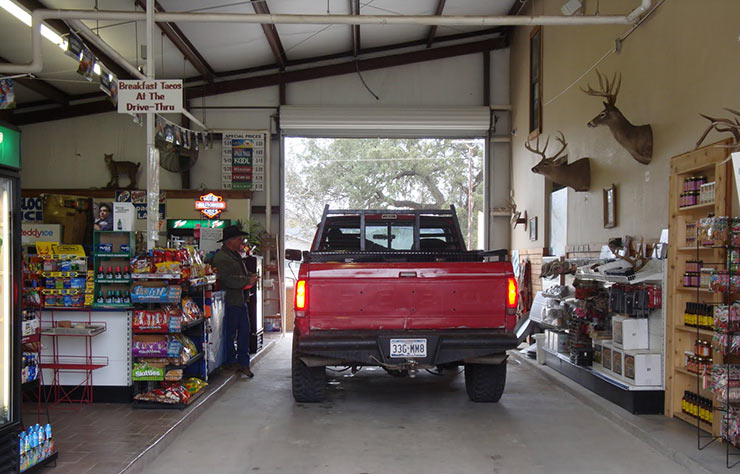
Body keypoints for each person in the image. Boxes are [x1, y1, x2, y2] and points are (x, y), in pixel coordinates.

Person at [211, 225, 258, 377]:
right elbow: (228, 280)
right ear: (230, 241)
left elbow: (236, 275)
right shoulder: (222, 258)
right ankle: (231, 361)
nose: (242, 242)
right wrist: (247, 280)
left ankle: (243, 363)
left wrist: (249, 277)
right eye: (239, 239)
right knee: (230, 333)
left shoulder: (234, 255)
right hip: (230, 301)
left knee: (244, 332)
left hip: (239, 299)